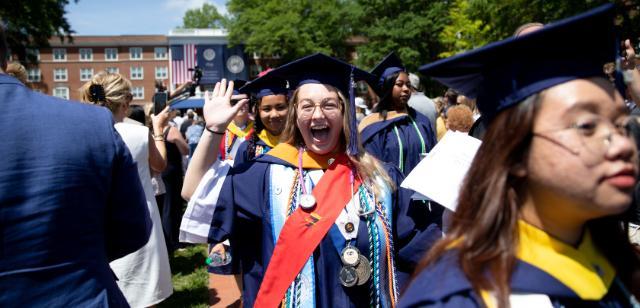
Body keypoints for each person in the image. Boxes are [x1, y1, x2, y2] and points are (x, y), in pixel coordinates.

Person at [401, 4, 640, 307]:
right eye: (586, 125)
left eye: (620, 125)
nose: (621, 145)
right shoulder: (465, 297)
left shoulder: (611, 263)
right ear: (513, 153)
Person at [185, 53, 442, 307]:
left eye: (329, 104)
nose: (318, 115)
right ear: (295, 115)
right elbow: (194, 192)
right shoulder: (265, 175)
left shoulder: (379, 178)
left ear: (345, 112)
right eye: (307, 106)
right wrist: (213, 130)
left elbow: (420, 245)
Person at [0, 27, 152, 306]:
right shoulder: (92, 123)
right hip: (83, 293)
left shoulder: (94, 121)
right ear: (6, 57)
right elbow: (133, 229)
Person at [79, 72, 174, 307]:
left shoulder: (83, 135)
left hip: (97, 224)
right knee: (144, 294)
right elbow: (159, 164)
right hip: (140, 220)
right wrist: (158, 130)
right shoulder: (138, 133)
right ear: (123, 102)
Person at [359, 52, 437, 176]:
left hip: (422, 193)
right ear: (387, 88)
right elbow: (372, 170)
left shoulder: (421, 121)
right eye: (399, 85)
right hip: (391, 192)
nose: (406, 89)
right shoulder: (373, 125)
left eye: (408, 85)